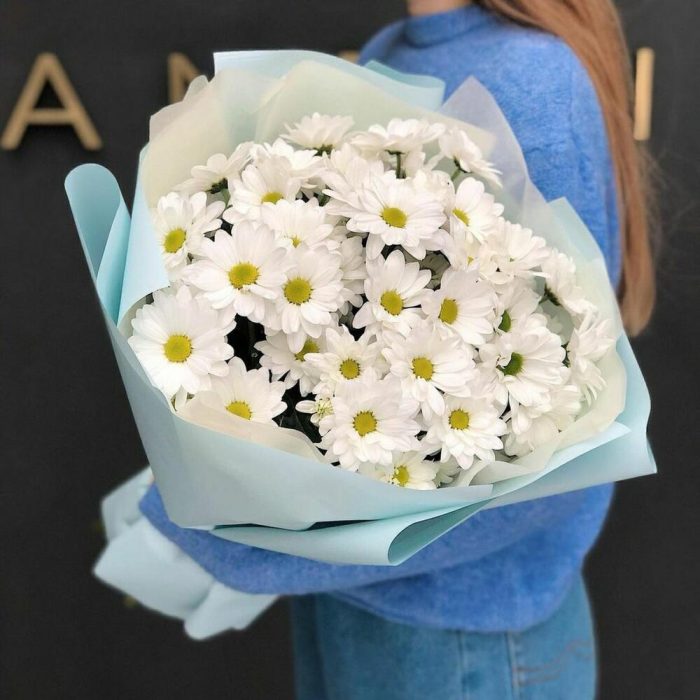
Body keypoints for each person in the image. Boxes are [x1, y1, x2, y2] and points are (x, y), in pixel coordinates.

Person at [141, 1, 656, 697]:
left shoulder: (532, 77)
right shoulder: (398, 45)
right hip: (353, 605)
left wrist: (242, 542)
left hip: (467, 639)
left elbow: (563, 452)